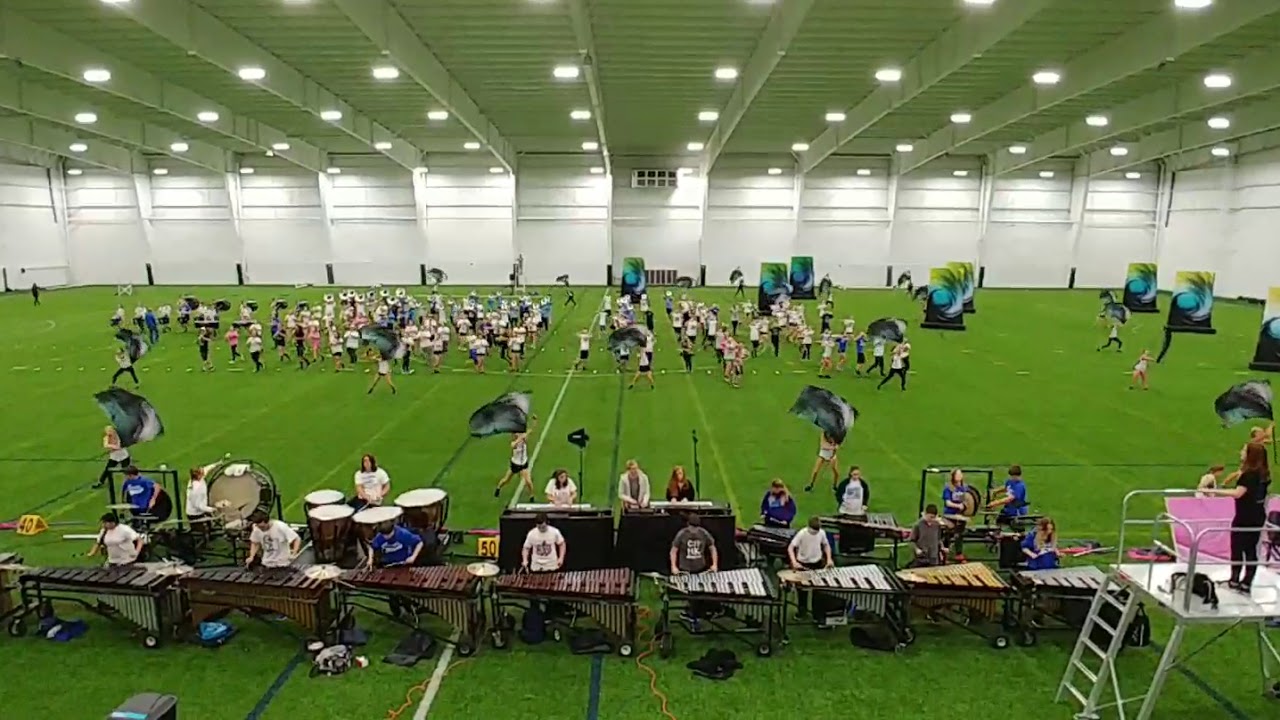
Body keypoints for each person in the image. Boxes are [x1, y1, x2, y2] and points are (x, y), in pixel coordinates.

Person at [1208, 442, 1272, 593]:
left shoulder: (1249, 475)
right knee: (1250, 549)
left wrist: (1214, 491)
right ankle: (1246, 582)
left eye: (1244, 450)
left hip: (1245, 516)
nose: (1241, 452)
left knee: (1237, 547)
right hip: (1257, 515)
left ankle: (1235, 580)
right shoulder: (1263, 474)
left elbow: (1238, 493)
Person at [788, 516, 834, 619]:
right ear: (809, 527)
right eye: (813, 532)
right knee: (802, 592)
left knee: (818, 591)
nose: (815, 534)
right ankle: (801, 612)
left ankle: (816, 614)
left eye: (816, 532)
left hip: (817, 563)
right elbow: (791, 547)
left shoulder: (821, 533)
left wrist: (829, 559)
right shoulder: (802, 533)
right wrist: (794, 562)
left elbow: (826, 545)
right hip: (803, 564)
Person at [494, 416, 538, 501]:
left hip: (523, 463)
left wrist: (535, 421)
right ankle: (498, 488)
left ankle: (532, 496)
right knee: (506, 480)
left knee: (528, 481)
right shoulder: (514, 443)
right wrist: (520, 439)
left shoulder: (524, 438)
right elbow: (513, 446)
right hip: (515, 463)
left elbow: (531, 429)